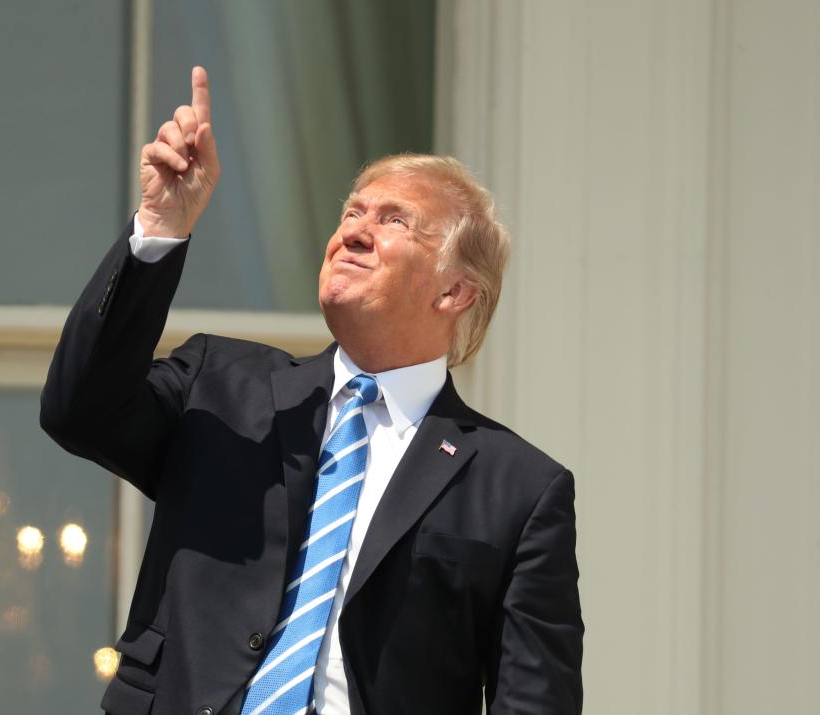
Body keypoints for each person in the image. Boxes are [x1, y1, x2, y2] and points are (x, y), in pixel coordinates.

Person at [41, 66, 583, 715]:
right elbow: (79, 409)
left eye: (394, 221)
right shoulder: (220, 384)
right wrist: (160, 225)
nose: (352, 230)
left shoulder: (517, 489)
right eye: (351, 212)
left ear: (454, 291)